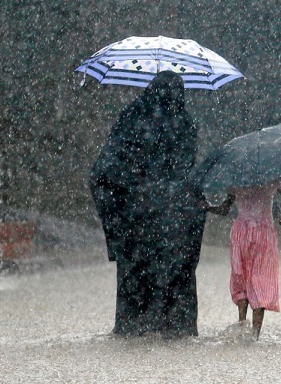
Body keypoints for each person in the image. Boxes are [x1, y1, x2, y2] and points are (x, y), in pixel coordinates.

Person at [89, 70, 232, 338]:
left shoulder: (131, 119)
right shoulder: (185, 123)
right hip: (179, 219)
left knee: (137, 283)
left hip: (139, 221)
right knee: (178, 283)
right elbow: (186, 171)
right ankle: (177, 331)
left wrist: (124, 211)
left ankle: (134, 331)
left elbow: (103, 174)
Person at [226, 180, 281, 340]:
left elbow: (224, 209)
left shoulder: (236, 178)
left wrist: (205, 206)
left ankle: (241, 325)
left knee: (240, 277)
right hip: (264, 234)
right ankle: (255, 336)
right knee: (261, 280)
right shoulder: (271, 179)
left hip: (240, 233)